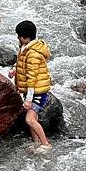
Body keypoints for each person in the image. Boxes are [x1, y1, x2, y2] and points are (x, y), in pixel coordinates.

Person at [10, 20, 52, 154]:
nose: (18, 38)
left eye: (19, 36)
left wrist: (28, 99)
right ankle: (36, 142)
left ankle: (46, 144)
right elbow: (22, 64)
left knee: (30, 119)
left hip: (37, 92)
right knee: (33, 119)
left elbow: (32, 78)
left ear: (24, 37)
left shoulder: (33, 53)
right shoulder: (25, 48)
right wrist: (15, 69)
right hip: (31, 91)